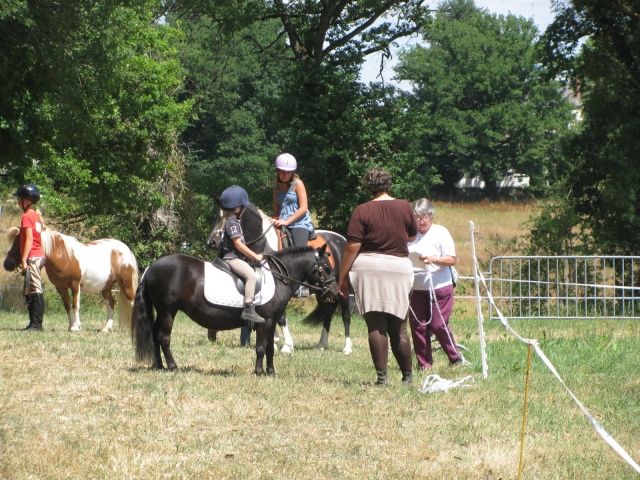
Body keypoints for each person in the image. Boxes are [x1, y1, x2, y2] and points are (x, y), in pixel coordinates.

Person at [338, 167, 418, 386]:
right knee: (400, 328)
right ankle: (407, 378)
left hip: (368, 269)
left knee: (376, 327)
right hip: (398, 269)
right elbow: (411, 235)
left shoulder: (361, 210)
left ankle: (382, 379)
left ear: (368, 186)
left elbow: (352, 246)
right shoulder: (404, 206)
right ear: (389, 184)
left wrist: (342, 276)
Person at [407, 198, 462, 369]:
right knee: (418, 326)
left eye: (424, 217)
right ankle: (424, 364)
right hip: (417, 288)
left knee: (438, 325)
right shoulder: (408, 235)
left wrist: (434, 259)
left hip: (440, 287)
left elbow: (452, 259)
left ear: (431, 217)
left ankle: (455, 358)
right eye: (416, 218)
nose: (420, 221)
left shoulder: (441, 232)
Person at [219, 185, 266, 326]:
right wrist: (255, 256)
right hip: (232, 258)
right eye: (243, 207)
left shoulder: (233, 221)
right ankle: (249, 307)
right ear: (237, 208)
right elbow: (239, 244)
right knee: (250, 275)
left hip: (235, 257)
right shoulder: (232, 223)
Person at [13, 184, 46, 332]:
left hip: (32, 255)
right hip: (38, 254)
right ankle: (32, 322)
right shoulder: (36, 216)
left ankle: (36, 325)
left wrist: (24, 260)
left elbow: (29, 240)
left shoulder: (26, 216)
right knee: (29, 289)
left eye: (20, 199)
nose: (18, 202)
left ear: (28, 200)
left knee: (35, 288)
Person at [272, 153, 314, 248]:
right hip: (282, 223)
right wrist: (273, 220)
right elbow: (276, 212)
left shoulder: (298, 184)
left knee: (299, 252)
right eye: (282, 171)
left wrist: (287, 222)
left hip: (299, 224)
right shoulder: (276, 188)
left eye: (288, 172)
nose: (285, 175)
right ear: (278, 171)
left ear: (292, 172)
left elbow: (304, 208)